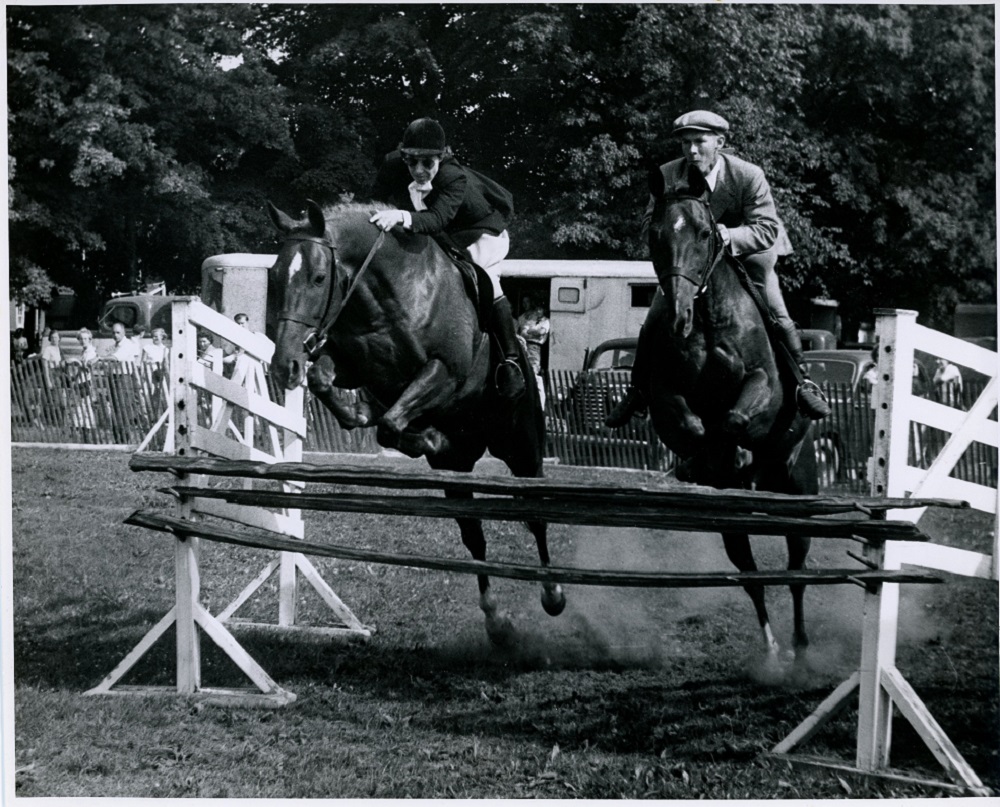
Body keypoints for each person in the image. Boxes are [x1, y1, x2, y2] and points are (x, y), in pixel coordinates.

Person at [607, 110, 831, 427]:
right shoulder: (668, 175)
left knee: (776, 312)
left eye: (700, 141)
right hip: (691, 260)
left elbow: (768, 229)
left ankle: (803, 383)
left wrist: (727, 235)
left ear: (720, 142)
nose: (692, 151)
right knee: (655, 317)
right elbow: (649, 224)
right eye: (686, 143)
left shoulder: (747, 175)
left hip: (745, 255)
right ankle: (637, 391)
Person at [369, 117, 525, 399]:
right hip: (439, 233)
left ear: (442, 157)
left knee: (486, 280)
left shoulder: (454, 177)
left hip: (480, 234)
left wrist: (401, 215)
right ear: (403, 156)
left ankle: (510, 361)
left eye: (427, 163)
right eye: (411, 162)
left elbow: (438, 219)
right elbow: (374, 200)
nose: (418, 170)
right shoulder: (392, 164)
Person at [516, 294, 550, 406]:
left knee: (534, 371)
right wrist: (533, 332)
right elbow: (522, 333)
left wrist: (529, 331)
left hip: (535, 347)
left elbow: (541, 332)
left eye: (541, 309)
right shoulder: (524, 318)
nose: (539, 311)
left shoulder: (544, 320)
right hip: (523, 345)